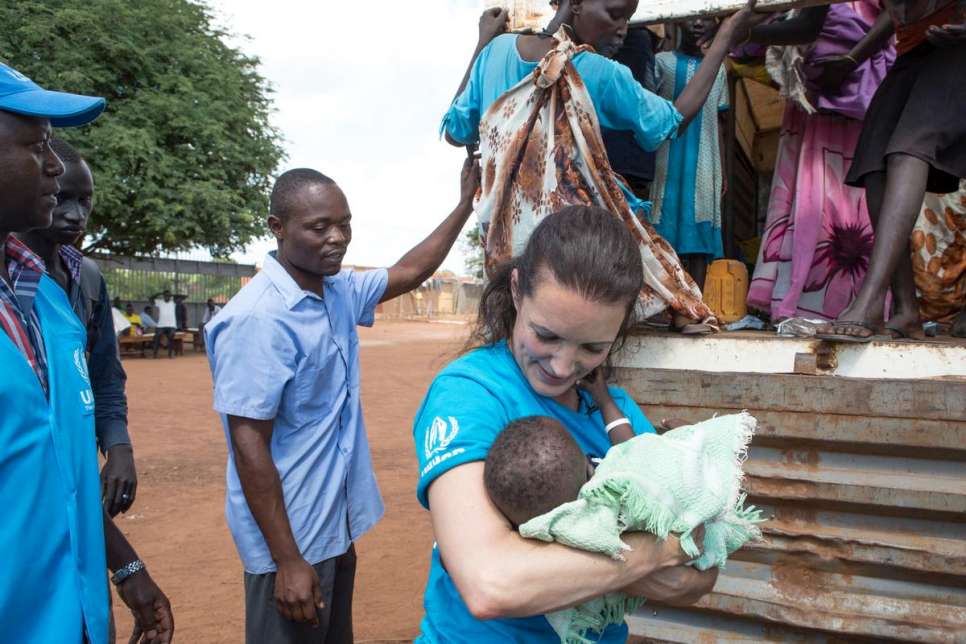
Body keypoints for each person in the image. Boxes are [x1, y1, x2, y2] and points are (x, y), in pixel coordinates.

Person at [205, 157, 480, 644]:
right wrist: (288, 560)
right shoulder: (258, 320)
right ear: (277, 228)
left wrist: (464, 204)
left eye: (344, 224)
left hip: (331, 524)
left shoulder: (338, 292)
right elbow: (248, 446)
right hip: (288, 540)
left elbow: (412, 269)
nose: (337, 237)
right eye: (319, 227)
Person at [412, 206, 717, 642]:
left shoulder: (619, 410)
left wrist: (551, 559)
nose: (561, 366)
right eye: (547, 335)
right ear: (517, 291)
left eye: (593, 347)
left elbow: (700, 579)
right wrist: (661, 548)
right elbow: (491, 584)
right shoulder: (471, 393)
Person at [444, 0, 764, 333]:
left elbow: (456, 131)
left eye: (628, 17)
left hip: (503, 256)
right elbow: (671, 121)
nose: (623, 27)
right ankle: (678, 309)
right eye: (615, 14)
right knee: (627, 215)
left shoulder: (495, 53)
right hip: (573, 258)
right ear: (577, 4)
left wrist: (482, 43)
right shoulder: (598, 71)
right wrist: (724, 40)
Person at [0, 61, 172, 644]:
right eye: (34, 145)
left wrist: (126, 569)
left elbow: (59, 472)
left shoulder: (45, 304)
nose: (53, 164)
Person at [819, 0, 966, 340]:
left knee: (909, 147)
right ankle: (905, 309)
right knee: (874, 161)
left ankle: (869, 302)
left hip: (958, 45)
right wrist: (854, 57)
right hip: (916, 47)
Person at [744, 2, 896, 322]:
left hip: (856, 84)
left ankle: (844, 303)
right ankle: (828, 303)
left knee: (841, 195)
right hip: (826, 87)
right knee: (825, 193)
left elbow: (892, 12)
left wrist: (852, 58)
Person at [18, 137, 138, 518]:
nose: (75, 214)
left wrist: (118, 445)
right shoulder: (13, 281)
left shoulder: (86, 277)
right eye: (63, 199)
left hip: (77, 452)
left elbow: (103, 372)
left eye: (84, 201)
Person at [650, 17, 731, 290]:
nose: (698, 22)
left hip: (706, 160)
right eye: (693, 15)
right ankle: (664, 301)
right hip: (665, 156)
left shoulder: (719, 69)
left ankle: (694, 301)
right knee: (663, 222)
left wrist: (723, 172)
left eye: (707, 16)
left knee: (699, 224)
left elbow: (720, 123)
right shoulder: (660, 62)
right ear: (678, 20)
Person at [149, 288, 177, 358]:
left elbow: (183, 298)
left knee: (171, 336)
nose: (167, 297)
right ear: (163, 296)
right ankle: (155, 354)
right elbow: (150, 299)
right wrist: (158, 294)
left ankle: (170, 354)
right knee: (157, 336)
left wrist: (172, 295)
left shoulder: (173, 302)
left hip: (171, 325)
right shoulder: (159, 302)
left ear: (170, 296)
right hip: (161, 325)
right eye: (165, 295)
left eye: (168, 296)